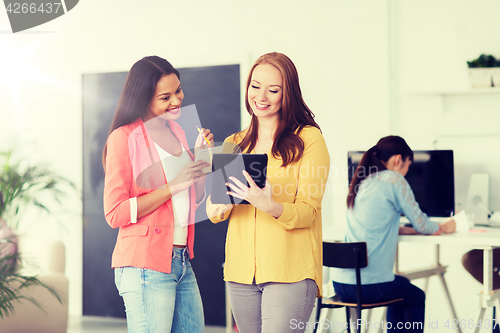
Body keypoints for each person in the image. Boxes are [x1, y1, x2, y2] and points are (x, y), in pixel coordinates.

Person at [206, 52, 330, 333]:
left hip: (290, 272)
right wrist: (214, 205)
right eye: (255, 86)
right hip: (240, 273)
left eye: (273, 90)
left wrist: (270, 204)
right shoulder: (233, 143)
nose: (261, 96)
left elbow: (309, 212)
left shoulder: (309, 139)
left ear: (289, 94)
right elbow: (217, 211)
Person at [102, 55, 213, 333]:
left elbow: (193, 198)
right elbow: (115, 213)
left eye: (178, 90)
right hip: (144, 265)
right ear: (143, 98)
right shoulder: (123, 137)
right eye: (165, 97)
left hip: (182, 261)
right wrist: (172, 186)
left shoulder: (178, 131)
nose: (176, 101)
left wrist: (200, 157)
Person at [331, 135, 456, 333]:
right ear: (398, 160)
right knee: (416, 297)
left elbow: (375, 224)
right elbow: (423, 224)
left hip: (340, 284)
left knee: (402, 286)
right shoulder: (393, 178)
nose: (406, 172)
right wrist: (444, 227)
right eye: (408, 166)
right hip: (369, 286)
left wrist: (409, 230)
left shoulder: (362, 181)